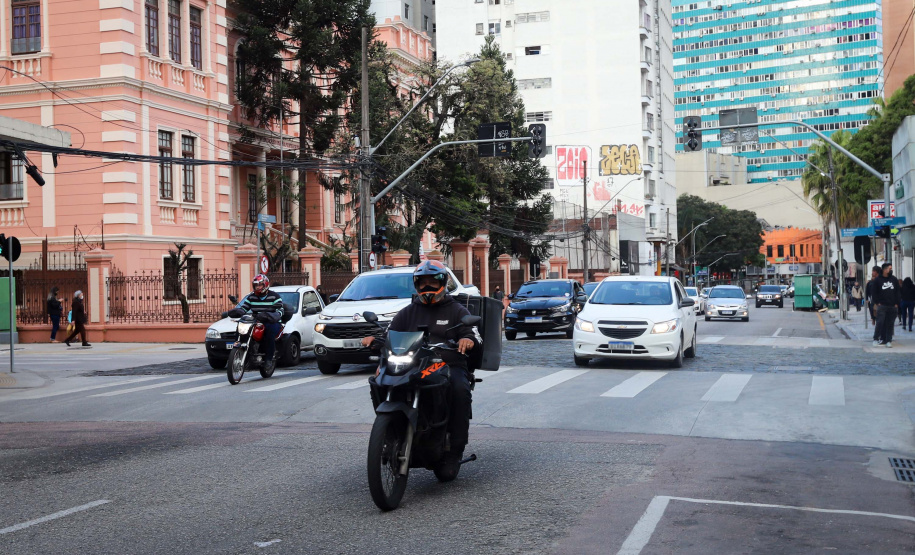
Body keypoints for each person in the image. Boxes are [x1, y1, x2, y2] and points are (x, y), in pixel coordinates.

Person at [361, 260, 480, 479]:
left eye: (432, 282)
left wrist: (467, 339)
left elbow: (472, 333)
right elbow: (390, 334)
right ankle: (389, 432)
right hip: (416, 365)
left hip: (446, 364)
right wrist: (376, 340)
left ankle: (454, 450)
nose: (427, 287)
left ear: (443, 283)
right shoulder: (408, 312)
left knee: (459, 389)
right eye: (422, 283)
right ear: (416, 284)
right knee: (379, 380)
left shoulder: (456, 310)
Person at [232, 274, 284, 372]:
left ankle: (268, 359)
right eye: (256, 285)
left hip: (271, 321)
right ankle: (239, 349)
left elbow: (280, 310)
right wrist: (237, 312)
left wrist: (273, 315)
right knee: (241, 327)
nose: (258, 287)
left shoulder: (274, 296)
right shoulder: (251, 297)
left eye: (260, 285)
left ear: (265, 285)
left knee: (269, 332)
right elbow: (244, 308)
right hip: (257, 321)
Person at [872, 263, 901, 348]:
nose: (891, 270)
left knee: (890, 324)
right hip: (882, 305)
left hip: (892, 305)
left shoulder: (894, 279)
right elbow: (874, 292)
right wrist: (877, 302)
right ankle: (876, 338)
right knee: (880, 322)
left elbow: (897, 291)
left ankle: (888, 340)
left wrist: (897, 303)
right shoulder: (878, 280)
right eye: (889, 268)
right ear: (884, 270)